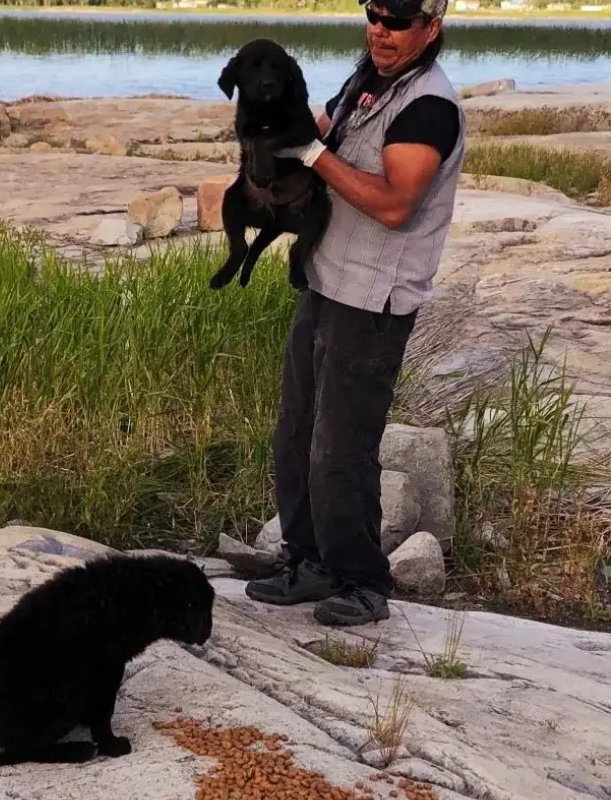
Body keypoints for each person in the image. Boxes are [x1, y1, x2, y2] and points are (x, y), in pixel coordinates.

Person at [243, 0, 464, 626]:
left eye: (396, 20)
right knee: (295, 432)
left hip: (374, 300)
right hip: (326, 280)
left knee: (341, 446)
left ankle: (363, 579)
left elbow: (395, 204)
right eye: (373, 13)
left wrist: (313, 156)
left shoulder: (429, 106)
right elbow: (323, 126)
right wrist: (277, 127)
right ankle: (307, 560)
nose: (380, 29)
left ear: (431, 26)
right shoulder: (366, 78)